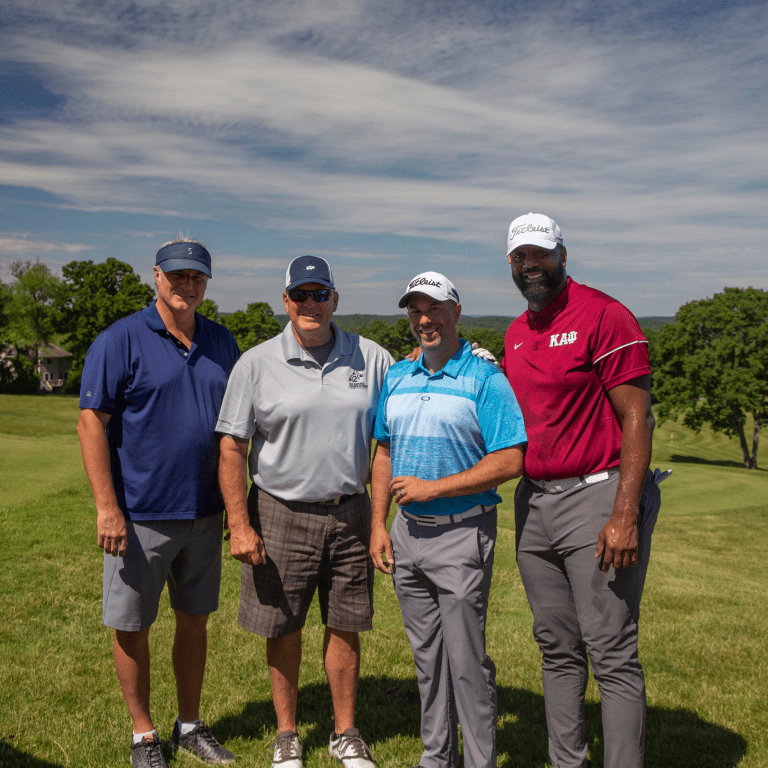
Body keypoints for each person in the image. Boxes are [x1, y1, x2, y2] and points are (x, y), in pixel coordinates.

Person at [216, 255, 392, 768]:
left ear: (335, 299)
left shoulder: (372, 357)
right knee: (282, 625)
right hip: (278, 510)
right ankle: (288, 733)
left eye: (320, 294)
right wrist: (239, 524)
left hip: (350, 511)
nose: (310, 304)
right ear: (286, 301)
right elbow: (232, 446)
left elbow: (387, 437)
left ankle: (344, 732)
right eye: (300, 295)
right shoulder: (256, 362)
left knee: (347, 623)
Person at [502, 213, 663, 768]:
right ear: (511, 264)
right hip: (535, 502)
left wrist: (624, 514)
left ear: (563, 255)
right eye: (522, 257)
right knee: (557, 648)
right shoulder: (517, 332)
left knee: (611, 651)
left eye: (541, 254)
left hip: (598, 493)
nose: (532, 265)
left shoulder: (604, 314)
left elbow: (637, 418)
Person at [77, 239, 239, 768]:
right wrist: (107, 507)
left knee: (195, 620)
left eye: (197, 278)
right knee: (133, 626)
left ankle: (189, 724)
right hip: (139, 514)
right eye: (177, 276)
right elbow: (91, 422)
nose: (187, 286)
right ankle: (144, 735)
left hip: (204, 512)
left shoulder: (221, 342)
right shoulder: (120, 338)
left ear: (206, 283)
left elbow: (236, 430)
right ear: (156, 276)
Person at [369, 272, 527, 768]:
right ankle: (437, 758)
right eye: (415, 310)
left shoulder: (485, 377)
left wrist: (432, 488)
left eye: (434, 308)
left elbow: (510, 460)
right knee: (428, 661)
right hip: (406, 534)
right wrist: (378, 523)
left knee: (466, 665)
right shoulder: (397, 375)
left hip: (462, 532)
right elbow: (384, 451)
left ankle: (480, 762)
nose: (424, 319)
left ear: (455, 312)